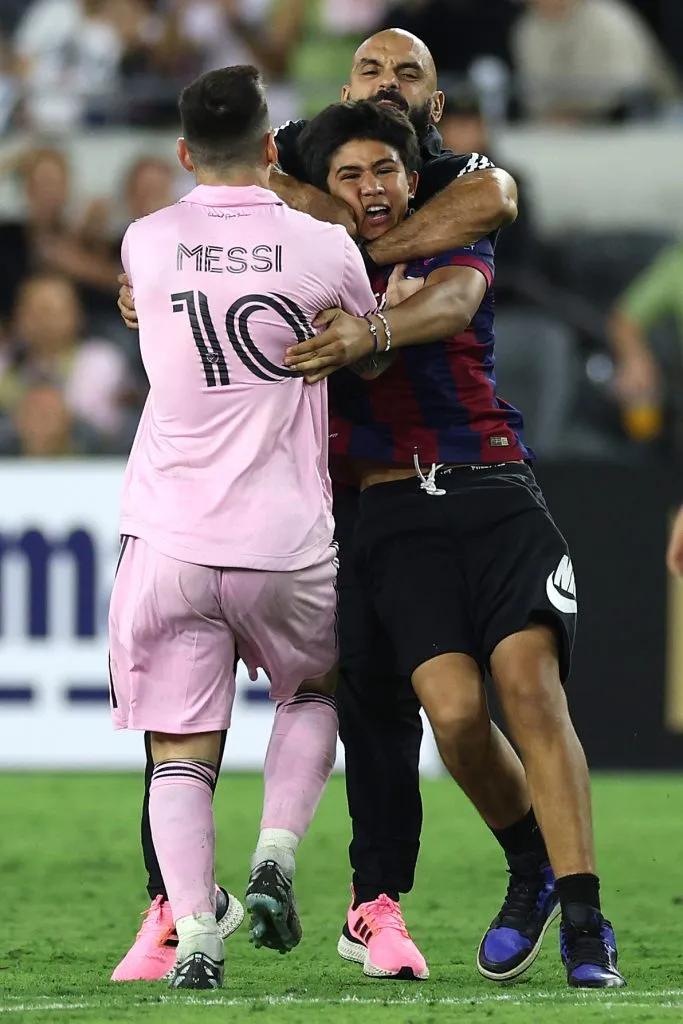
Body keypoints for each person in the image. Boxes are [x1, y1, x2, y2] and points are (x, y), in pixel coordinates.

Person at [115, 29, 549, 986]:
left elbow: (495, 196)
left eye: (409, 77)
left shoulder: (452, 178)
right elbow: (248, 194)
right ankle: (169, 904)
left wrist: (343, 236)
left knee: (381, 708)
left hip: (385, 485)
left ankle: (374, 904)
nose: (386, 86)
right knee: (205, 708)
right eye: (370, 70)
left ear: (434, 107)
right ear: (335, 93)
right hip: (308, 485)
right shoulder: (307, 151)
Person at [284, 99, 626, 990]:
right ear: (324, 189)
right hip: (393, 510)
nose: (372, 189)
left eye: (385, 171)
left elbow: (460, 296)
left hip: (490, 482)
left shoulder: (449, 226)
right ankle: (533, 865)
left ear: (412, 169)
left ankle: (583, 919)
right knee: (455, 714)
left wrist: (376, 326)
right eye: (350, 176)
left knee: (527, 685)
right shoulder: (309, 261)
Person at [108, 63, 378, 988]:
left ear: (183, 153)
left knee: (179, 753)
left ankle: (196, 938)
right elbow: (368, 348)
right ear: (271, 148)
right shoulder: (323, 246)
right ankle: (275, 855)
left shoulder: (144, 240)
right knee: (310, 693)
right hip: (285, 538)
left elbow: (146, 301)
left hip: (171, 537)